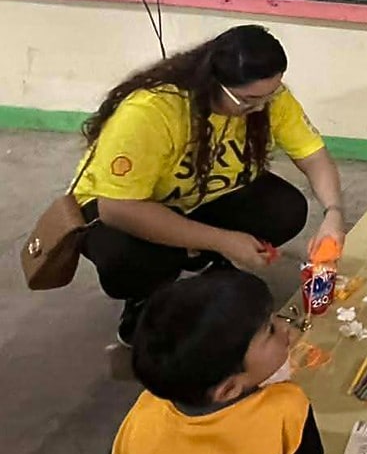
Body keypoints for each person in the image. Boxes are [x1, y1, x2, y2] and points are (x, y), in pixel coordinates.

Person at [77, 25, 345, 345]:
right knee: (128, 258)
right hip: (124, 210)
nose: (260, 107)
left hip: (200, 196)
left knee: (284, 208)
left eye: (269, 95)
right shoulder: (151, 111)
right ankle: (146, 301)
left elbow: (313, 156)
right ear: (214, 84)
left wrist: (334, 212)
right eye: (248, 101)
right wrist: (223, 240)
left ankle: (208, 265)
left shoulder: (268, 98)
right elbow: (117, 208)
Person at [111, 269, 324, 454]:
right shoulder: (286, 410)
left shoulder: (143, 414)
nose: (284, 327)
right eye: (269, 330)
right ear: (229, 389)